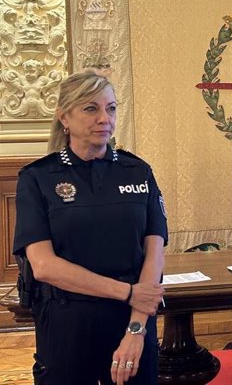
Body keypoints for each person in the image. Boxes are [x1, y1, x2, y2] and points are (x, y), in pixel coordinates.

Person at [13, 70, 168, 385]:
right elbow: (44, 266)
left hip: (129, 322)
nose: (104, 118)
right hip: (66, 322)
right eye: (90, 108)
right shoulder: (38, 178)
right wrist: (128, 293)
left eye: (111, 108)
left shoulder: (138, 172)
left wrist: (136, 330)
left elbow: (154, 255)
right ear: (64, 117)